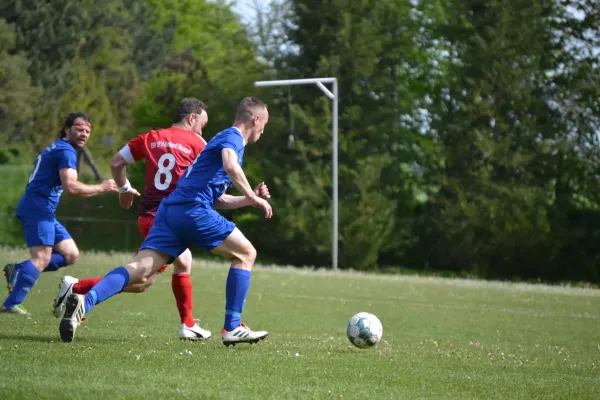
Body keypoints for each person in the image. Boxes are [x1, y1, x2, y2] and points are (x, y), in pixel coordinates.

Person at [59, 97, 272, 347]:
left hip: (171, 211)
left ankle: (85, 301)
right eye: (264, 125)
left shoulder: (219, 141)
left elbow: (218, 199)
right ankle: (233, 326)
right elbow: (230, 164)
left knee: (140, 270)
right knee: (246, 254)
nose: (263, 131)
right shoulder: (233, 137)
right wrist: (251, 195)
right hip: (192, 210)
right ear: (255, 119)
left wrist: (250, 200)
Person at [52, 98, 212, 341]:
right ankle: (186, 324)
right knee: (154, 269)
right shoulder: (198, 143)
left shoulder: (150, 137)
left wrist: (124, 188)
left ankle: (77, 288)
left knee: (142, 282)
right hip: (170, 219)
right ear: (192, 119)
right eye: (202, 124)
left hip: (147, 216)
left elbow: (116, 162)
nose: (202, 130)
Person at [1, 113, 118, 315]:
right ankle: (11, 303)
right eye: (79, 129)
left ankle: (18, 270)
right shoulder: (66, 151)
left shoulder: (59, 147)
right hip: (38, 208)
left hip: (43, 209)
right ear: (67, 129)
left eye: (88, 131)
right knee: (41, 258)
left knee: (70, 254)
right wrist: (102, 187)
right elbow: (71, 186)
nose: (84, 134)